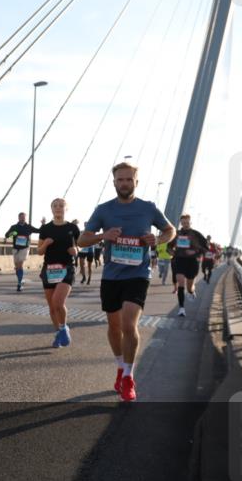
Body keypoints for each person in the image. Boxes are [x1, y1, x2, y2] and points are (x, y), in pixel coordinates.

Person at [78, 162, 175, 402]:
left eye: (129, 180)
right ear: (114, 183)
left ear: (136, 182)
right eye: (120, 180)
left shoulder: (148, 208)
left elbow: (170, 230)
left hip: (138, 274)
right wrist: (103, 235)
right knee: (113, 327)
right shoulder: (103, 210)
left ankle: (129, 377)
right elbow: (81, 240)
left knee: (129, 325)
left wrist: (158, 239)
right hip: (112, 276)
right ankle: (120, 366)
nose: (124, 184)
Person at [37, 198, 81, 348]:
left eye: (61, 206)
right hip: (49, 269)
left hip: (67, 268)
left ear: (66, 209)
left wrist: (76, 250)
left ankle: (63, 328)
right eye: (55, 206)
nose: (58, 208)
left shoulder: (73, 228)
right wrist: (46, 244)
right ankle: (59, 332)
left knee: (58, 302)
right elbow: (39, 251)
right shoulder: (45, 229)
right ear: (51, 209)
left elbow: (80, 246)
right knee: (51, 307)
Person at [170, 214, 207, 316]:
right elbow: (169, 247)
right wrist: (172, 252)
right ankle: (181, 308)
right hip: (179, 260)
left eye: (187, 223)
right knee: (180, 282)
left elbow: (205, 249)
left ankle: (191, 292)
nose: (185, 225)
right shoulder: (176, 234)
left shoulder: (196, 234)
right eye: (183, 223)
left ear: (190, 223)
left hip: (192, 262)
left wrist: (195, 253)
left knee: (189, 287)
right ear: (181, 223)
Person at [4, 212, 37, 292]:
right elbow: (7, 235)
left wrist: (43, 224)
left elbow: (38, 230)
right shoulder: (14, 227)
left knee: (20, 265)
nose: (22, 218)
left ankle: (19, 284)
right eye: (21, 217)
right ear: (18, 218)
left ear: (25, 218)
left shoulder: (28, 227)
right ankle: (20, 279)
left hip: (24, 248)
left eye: (24, 217)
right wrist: (12, 233)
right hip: (16, 249)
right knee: (17, 267)